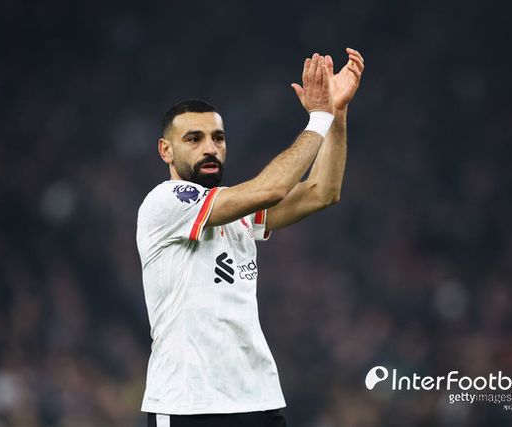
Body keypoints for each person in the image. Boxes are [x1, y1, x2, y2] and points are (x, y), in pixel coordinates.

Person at [136, 49, 365, 427]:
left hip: (256, 398)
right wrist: (318, 118)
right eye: (193, 139)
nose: (210, 148)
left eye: (218, 137)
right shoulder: (166, 203)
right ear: (166, 150)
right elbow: (271, 189)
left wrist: (337, 114)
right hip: (189, 405)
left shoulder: (234, 208)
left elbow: (321, 192)